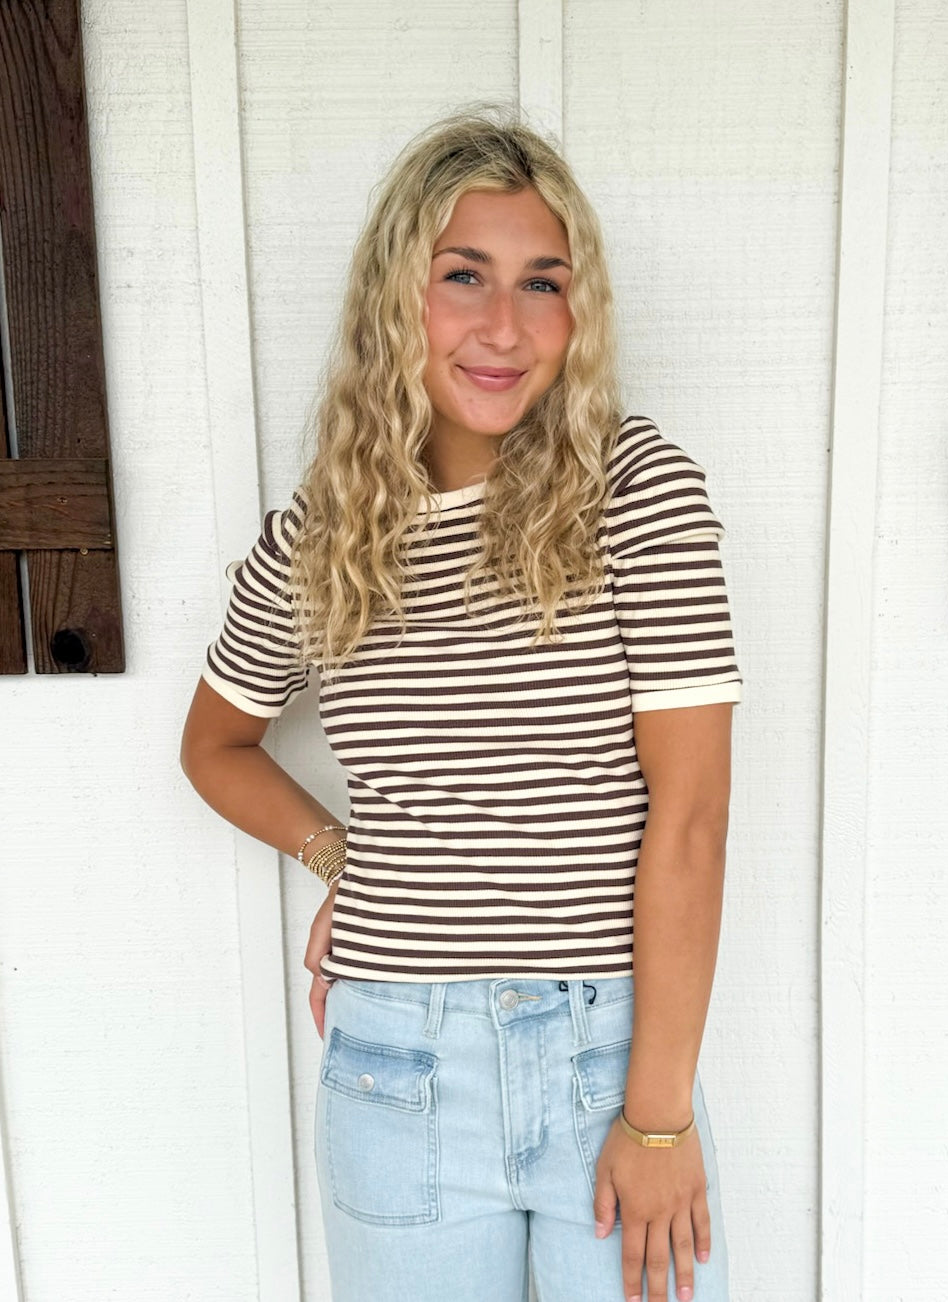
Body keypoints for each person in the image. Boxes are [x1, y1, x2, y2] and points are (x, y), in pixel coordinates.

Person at [181, 107, 742, 1302]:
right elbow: (216, 746)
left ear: (577, 312)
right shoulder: (320, 537)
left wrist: (656, 1118)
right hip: (393, 1062)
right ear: (399, 297)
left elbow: (690, 819)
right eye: (462, 276)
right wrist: (342, 861)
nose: (503, 326)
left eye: (542, 282)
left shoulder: (633, 489)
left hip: (608, 1059)